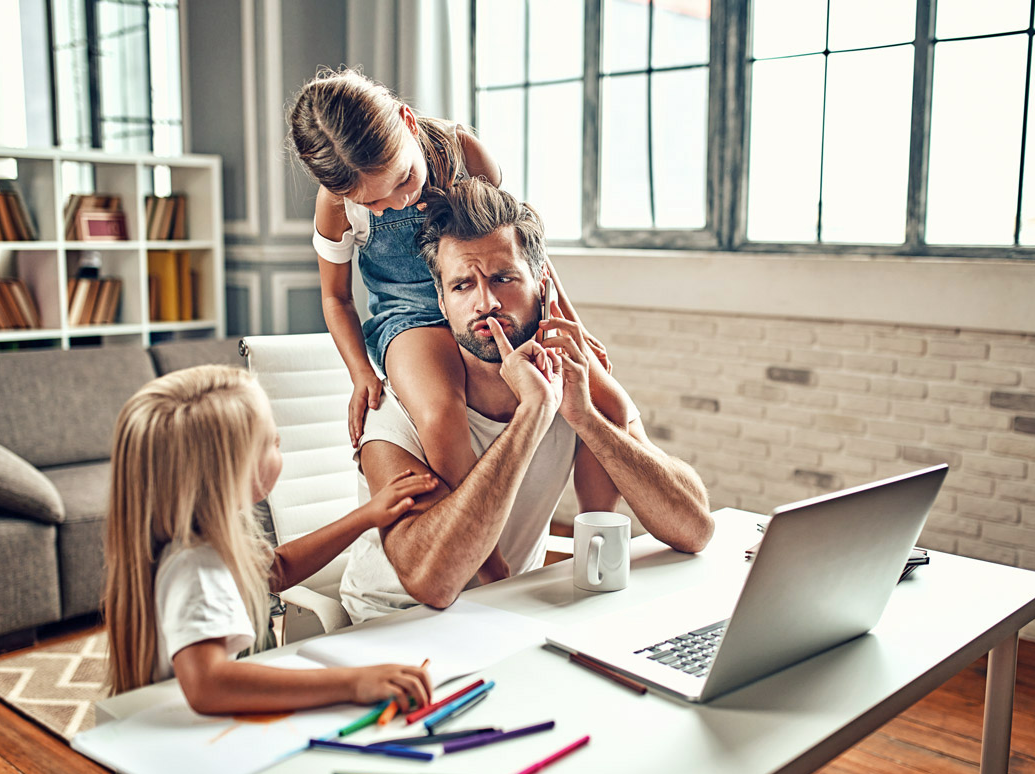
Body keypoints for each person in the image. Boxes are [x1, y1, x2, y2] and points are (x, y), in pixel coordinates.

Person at [339, 179, 714, 622]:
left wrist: (585, 417)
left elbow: (695, 528)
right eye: (462, 286)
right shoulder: (397, 409)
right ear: (440, 300)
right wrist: (532, 415)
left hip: (510, 613)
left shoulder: (572, 385)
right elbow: (433, 583)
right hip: (394, 624)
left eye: (503, 278)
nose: (486, 302)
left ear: (543, 286)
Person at [102, 365, 436, 715]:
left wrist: (366, 516)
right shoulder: (196, 566)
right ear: (228, 472)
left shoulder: (204, 533)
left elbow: (276, 570)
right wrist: (353, 682)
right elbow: (207, 684)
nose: (280, 444)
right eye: (271, 442)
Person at [288, 66, 511, 581]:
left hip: (484, 295)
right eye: (373, 202)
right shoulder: (336, 206)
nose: (397, 201)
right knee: (438, 411)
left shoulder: (464, 154)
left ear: (407, 122)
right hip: (410, 316)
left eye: (404, 179)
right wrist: (361, 373)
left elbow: (516, 246)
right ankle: (490, 563)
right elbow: (336, 298)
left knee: (591, 387)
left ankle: (599, 533)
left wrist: (566, 317)